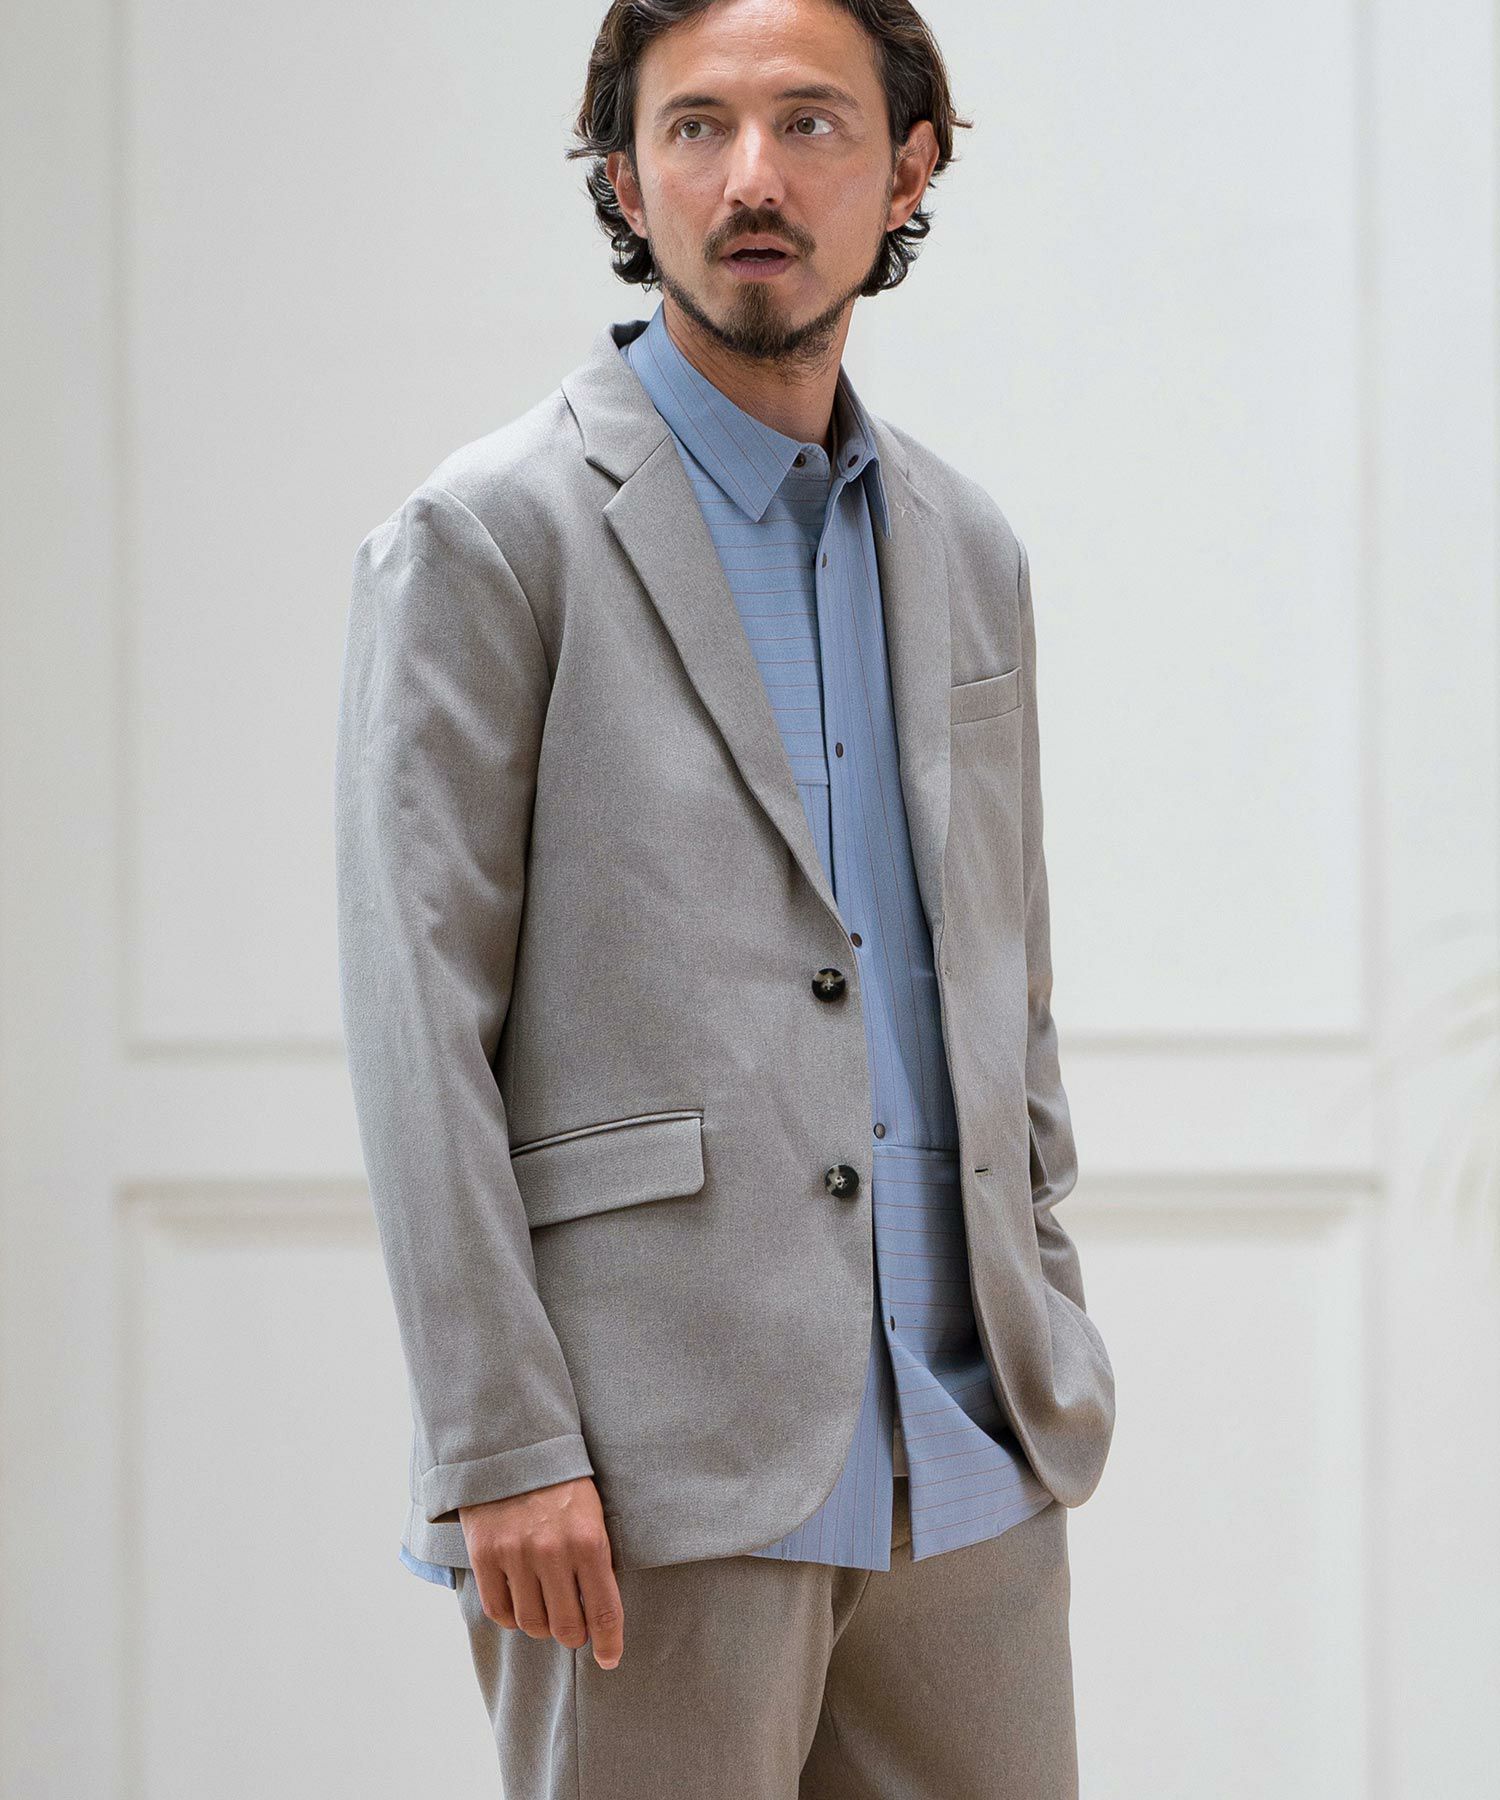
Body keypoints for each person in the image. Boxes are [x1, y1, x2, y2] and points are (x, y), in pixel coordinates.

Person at [333, 0, 1115, 1792]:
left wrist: (1044, 1316)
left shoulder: (967, 544)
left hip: (972, 1452)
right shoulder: (489, 537)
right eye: (696, 127)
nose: (752, 177)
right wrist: (500, 1445)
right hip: (639, 1480)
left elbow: (1008, 984)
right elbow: (414, 1026)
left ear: (909, 166)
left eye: (811, 123)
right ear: (625, 176)